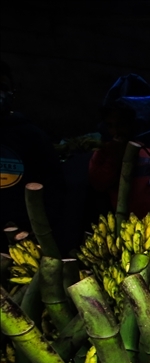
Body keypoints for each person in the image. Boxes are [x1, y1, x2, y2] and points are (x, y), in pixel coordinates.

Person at [0, 61, 69, 251]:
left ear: (12, 91)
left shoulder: (32, 136)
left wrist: (38, 229)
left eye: (3, 87)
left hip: (20, 236)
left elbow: (54, 186)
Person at [88, 100, 150, 219]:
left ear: (131, 125)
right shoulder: (102, 155)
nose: (116, 131)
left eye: (121, 125)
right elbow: (99, 184)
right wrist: (115, 155)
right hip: (129, 229)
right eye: (110, 126)